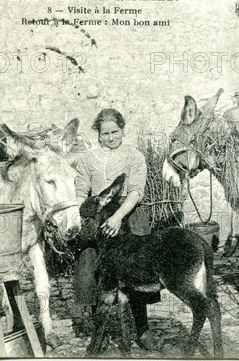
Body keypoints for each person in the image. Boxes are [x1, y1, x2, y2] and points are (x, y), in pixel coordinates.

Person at [74, 108, 159, 345]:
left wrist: (118, 217)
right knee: (93, 267)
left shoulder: (134, 156)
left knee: (136, 268)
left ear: (123, 130)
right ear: (98, 134)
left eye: (115, 132)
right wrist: (90, 217)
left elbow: (136, 191)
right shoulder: (88, 158)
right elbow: (81, 192)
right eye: (105, 134)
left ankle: (142, 329)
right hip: (97, 218)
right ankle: (98, 332)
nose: (110, 138)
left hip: (128, 215)